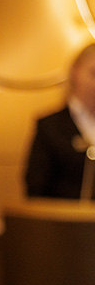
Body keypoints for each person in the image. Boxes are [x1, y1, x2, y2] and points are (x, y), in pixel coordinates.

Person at [25, 43, 95, 199]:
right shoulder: (50, 127)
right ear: (75, 72)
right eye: (93, 74)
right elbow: (36, 189)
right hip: (64, 220)